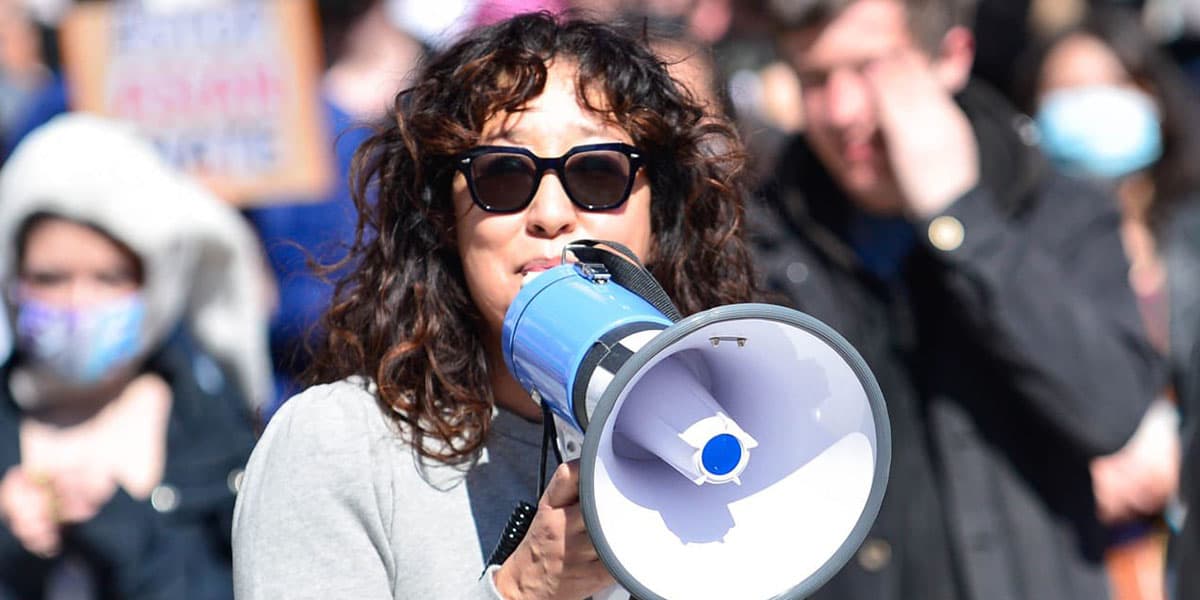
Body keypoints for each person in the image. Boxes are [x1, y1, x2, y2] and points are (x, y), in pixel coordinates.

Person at [231, 11, 757, 599]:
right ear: (443, 219)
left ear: (658, 217)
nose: (552, 214)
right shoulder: (338, 445)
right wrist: (522, 590)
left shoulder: (729, 428)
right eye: (504, 177)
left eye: (599, 174)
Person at [752, 0, 1161, 598]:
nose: (840, 111)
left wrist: (961, 222)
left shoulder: (1056, 207)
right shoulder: (764, 231)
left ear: (951, 56)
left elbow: (1111, 409)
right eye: (814, 79)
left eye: (869, 68)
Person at [0, 114, 266, 598]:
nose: (78, 303)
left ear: (156, 284)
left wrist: (125, 527)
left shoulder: (213, 429)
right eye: (50, 278)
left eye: (109, 278)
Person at [1017, 8, 1200, 597]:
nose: (1087, 106)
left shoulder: (1188, 235)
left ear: (1149, 93)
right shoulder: (1022, 256)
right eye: (1066, 92)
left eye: (1105, 85)